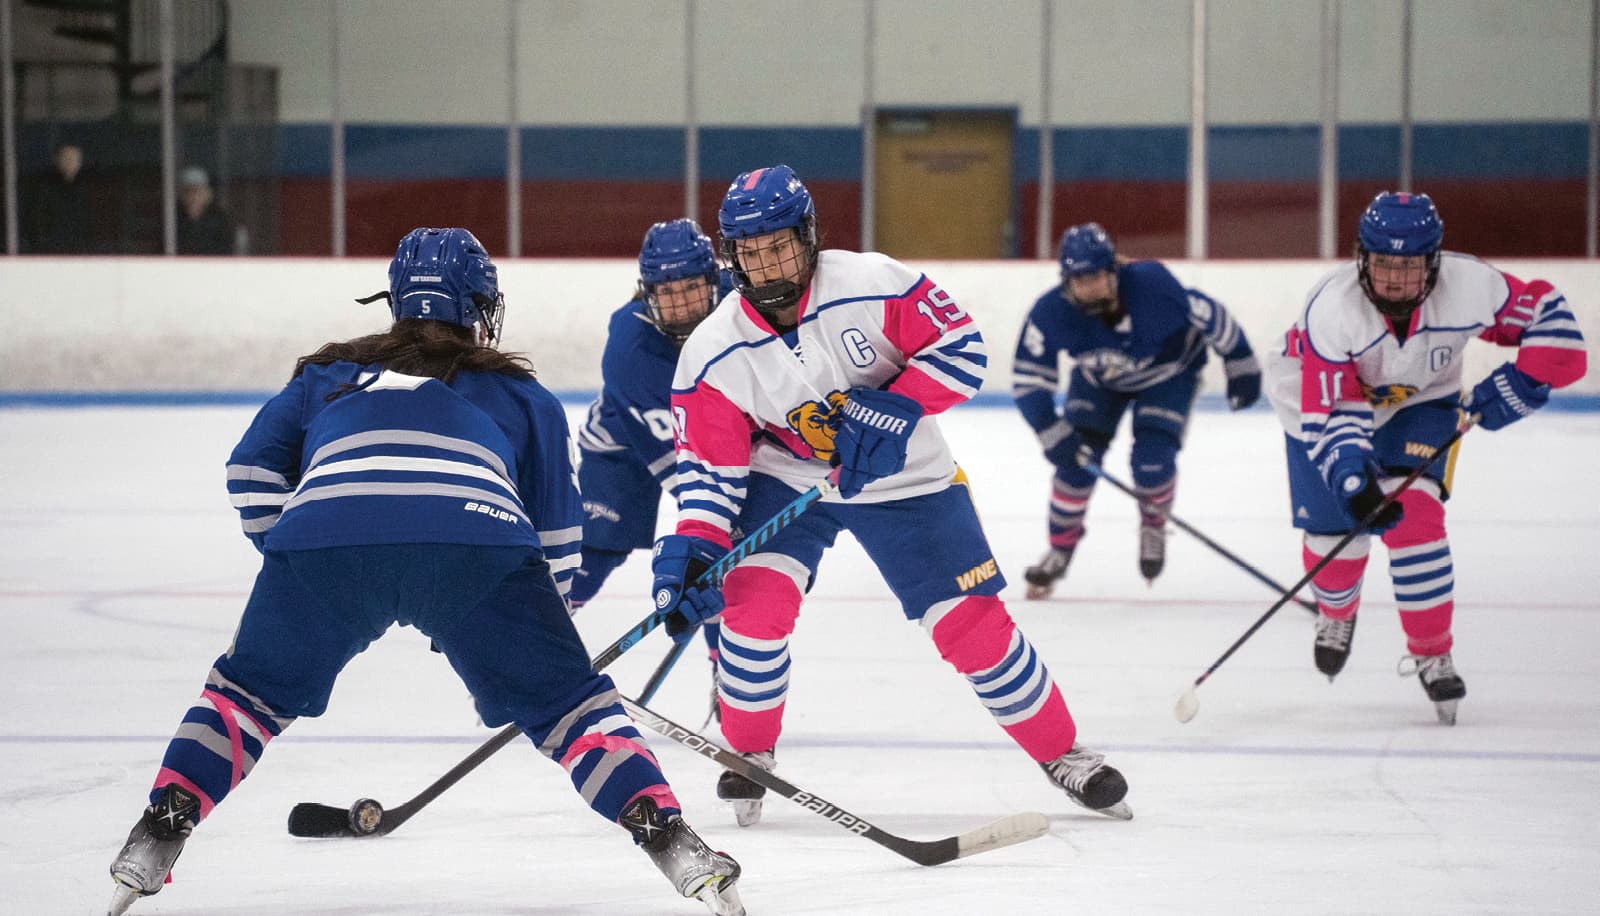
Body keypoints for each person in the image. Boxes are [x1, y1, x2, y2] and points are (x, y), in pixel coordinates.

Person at [105, 228, 744, 916]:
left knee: (246, 698)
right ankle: (673, 843)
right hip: (479, 550)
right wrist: (533, 647)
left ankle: (158, 830)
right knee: (572, 713)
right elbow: (561, 538)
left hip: (325, 544)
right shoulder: (521, 394)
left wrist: (297, 552)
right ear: (479, 306)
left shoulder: (329, 373)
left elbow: (250, 469)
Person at [651, 164, 1132, 829]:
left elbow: (962, 349)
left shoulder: (873, 283)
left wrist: (894, 408)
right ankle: (749, 749)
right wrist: (696, 549)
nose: (765, 265)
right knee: (751, 612)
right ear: (732, 255)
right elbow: (710, 470)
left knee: (972, 625)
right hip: (787, 479)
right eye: (750, 251)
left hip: (909, 479)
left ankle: (1063, 754)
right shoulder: (712, 351)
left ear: (808, 235)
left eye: (779, 245)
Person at [1264, 192, 1587, 724]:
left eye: (1410, 265)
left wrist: (1524, 383)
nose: (1394, 279)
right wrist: (1353, 481)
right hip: (1311, 400)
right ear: (1361, 258)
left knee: (1417, 520)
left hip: (1421, 402)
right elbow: (1335, 408)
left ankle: (1433, 650)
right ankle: (1337, 613)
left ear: (1433, 261)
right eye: (1384, 264)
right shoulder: (1332, 308)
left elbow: (1557, 328)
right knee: (1336, 536)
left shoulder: (1472, 285)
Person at [1010, 222, 1262, 596]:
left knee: (1152, 462)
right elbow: (1029, 379)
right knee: (1073, 466)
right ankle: (1059, 550)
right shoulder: (1051, 311)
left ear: (1113, 270)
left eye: (1094, 275)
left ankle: (1153, 523)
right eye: (1077, 278)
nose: (1087, 286)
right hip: (1099, 382)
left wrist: (1240, 362)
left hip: (1169, 375)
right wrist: (1049, 429)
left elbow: (1208, 312)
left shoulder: (1151, 285)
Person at [571, 218, 734, 712]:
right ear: (646, 293)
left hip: (713, 438)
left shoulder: (744, 307)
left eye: (690, 288)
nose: (681, 304)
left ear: (715, 280)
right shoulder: (630, 346)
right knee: (596, 546)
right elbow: (675, 465)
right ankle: (524, 657)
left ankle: (729, 677)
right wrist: (710, 526)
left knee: (727, 563)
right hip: (623, 444)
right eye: (666, 292)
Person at [22, 142, 91, 253]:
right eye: (67, 157)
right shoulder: (44, 188)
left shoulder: (85, 188)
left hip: (79, 253)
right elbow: (38, 224)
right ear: (57, 160)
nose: (71, 162)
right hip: (50, 253)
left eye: (75, 158)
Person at [176, 166, 236, 255]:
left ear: (207, 194)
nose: (194, 197)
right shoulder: (173, 219)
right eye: (188, 192)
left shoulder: (219, 219)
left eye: (198, 192)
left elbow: (226, 251)